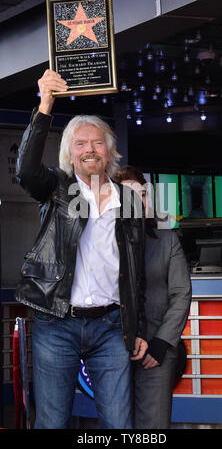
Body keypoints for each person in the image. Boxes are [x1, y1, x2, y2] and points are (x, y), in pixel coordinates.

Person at [15, 70, 148, 429]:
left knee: (119, 423)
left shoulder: (128, 200)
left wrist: (139, 327)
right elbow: (25, 171)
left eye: (98, 142)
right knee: (53, 421)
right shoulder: (57, 189)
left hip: (111, 326)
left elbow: (137, 272)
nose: (90, 148)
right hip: (56, 322)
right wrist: (45, 105)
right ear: (70, 155)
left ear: (110, 150)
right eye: (80, 144)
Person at [114, 166, 192, 429]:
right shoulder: (104, 242)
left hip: (156, 352)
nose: (140, 201)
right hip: (112, 352)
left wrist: (161, 343)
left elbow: (181, 294)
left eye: (143, 195)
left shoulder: (168, 240)